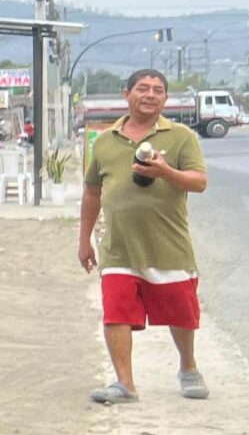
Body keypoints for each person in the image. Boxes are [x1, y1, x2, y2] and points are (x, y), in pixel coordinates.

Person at [80, 67, 209, 403]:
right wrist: (84, 242)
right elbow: (92, 192)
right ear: (127, 94)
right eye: (142, 88)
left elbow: (199, 182)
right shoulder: (105, 141)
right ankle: (125, 384)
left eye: (158, 90)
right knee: (116, 311)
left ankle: (188, 367)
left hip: (168, 245)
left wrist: (165, 171)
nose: (150, 95)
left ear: (165, 99)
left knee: (181, 310)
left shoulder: (181, 137)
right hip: (118, 247)